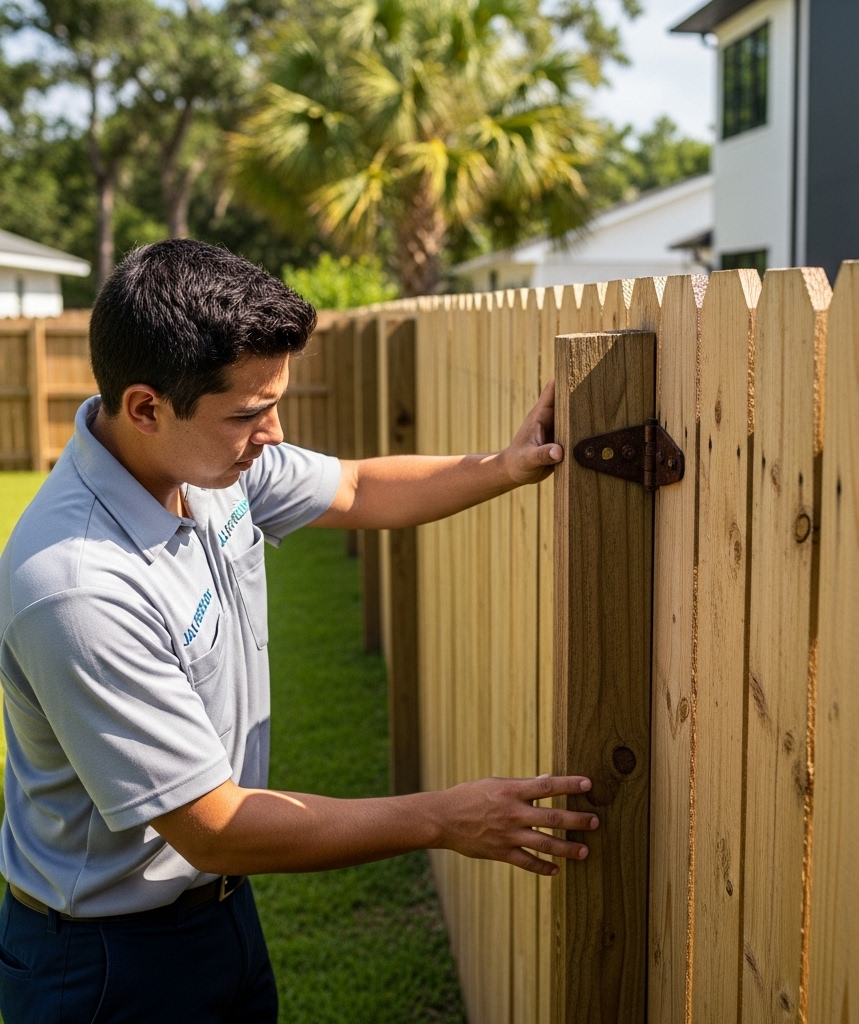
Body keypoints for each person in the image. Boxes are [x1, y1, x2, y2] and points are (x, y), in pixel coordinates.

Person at [0, 239, 598, 1023]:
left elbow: (351, 487)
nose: (274, 433)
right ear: (146, 407)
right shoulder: (77, 589)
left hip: (215, 910)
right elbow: (212, 827)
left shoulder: (202, 467)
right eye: (249, 412)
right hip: (109, 964)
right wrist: (443, 818)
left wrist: (505, 465)